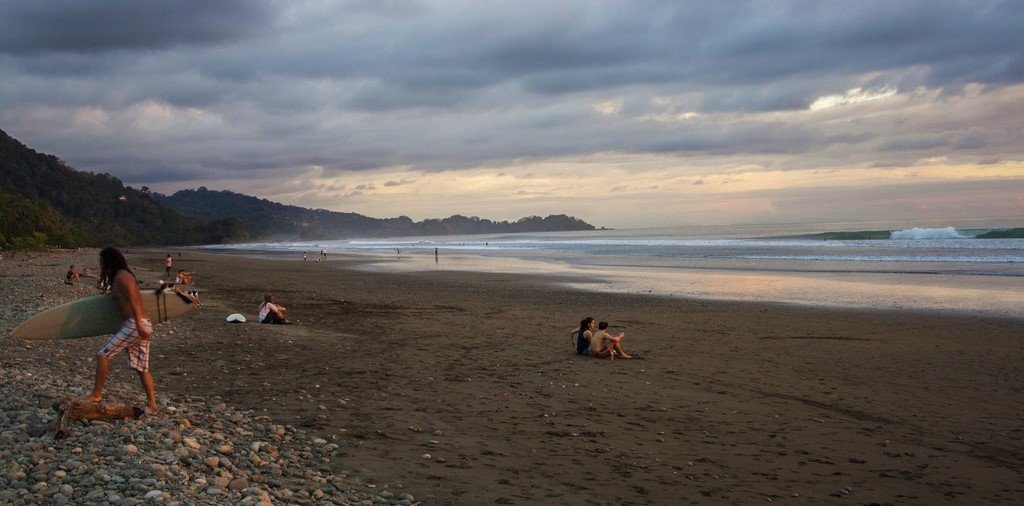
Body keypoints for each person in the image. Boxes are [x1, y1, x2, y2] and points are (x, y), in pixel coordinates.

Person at [82, 247, 158, 413]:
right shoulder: (120, 276)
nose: (101, 264)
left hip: (135, 324)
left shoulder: (123, 276)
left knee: (103, 355)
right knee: (141, 368)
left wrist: (137, 324)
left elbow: (133, 300)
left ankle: (96, 394)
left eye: (102, 261)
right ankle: (153, 404)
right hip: (139, 324)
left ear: (110, 261)